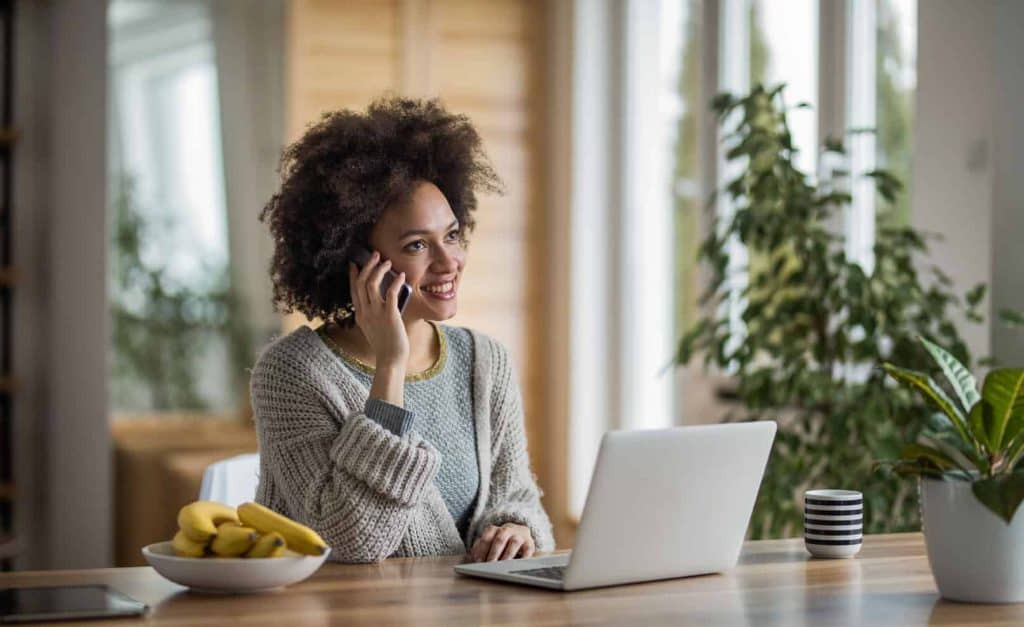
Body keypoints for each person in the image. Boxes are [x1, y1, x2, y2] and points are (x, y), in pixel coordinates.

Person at [250, 96, 554, 564]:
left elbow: (516, 495)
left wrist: (515, 528)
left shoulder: (485, 361)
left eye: (452, 235)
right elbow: (350, 539)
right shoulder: (292, 373)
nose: (449, 261)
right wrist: (390, 364)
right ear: (354, 262)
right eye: (417, 245)